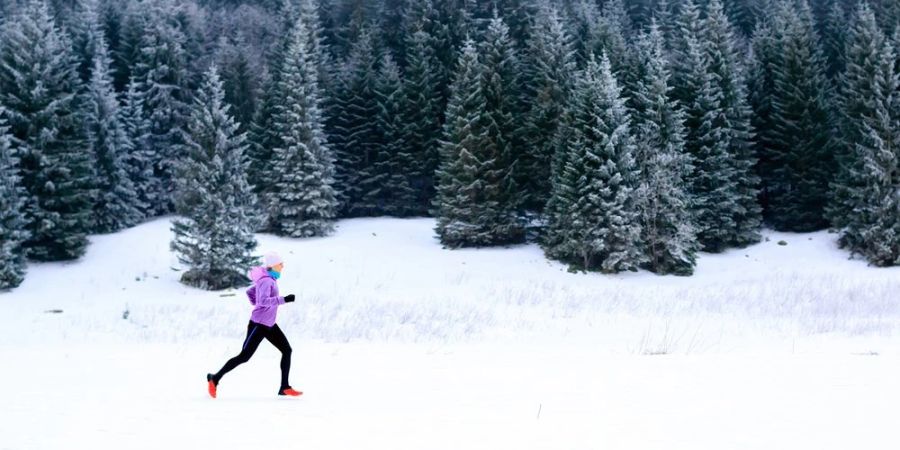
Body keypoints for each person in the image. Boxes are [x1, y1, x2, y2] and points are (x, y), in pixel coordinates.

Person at [206, 252, 302, 398]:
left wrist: (256, 303)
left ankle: (284, 387)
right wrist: (284, 299)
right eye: (280, 264)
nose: (282, 266)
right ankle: (215, 378)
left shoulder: (270, 279)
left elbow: (251, 291)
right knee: (244, 356)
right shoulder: (267, 281)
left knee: (287, 350)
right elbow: (263, 300)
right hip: (258, 324)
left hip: (269, 324)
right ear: (273, 266)